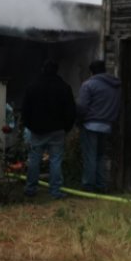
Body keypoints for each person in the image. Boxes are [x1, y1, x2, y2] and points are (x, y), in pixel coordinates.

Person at [20, 59, 76, 199]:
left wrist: (29, 125)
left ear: (42, 69)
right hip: (57, 130)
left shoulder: (32, 86)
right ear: (57, 70)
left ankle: (30, 188)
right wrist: (66, 127)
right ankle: (55, 190)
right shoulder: (64, 87)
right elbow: (71, 111)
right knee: (55, 160)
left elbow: (25, 110)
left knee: (34, 159)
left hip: (37, 130)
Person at [76, 60, 121, 193]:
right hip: (107, 126)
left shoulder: (89, 85)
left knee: (90, 156)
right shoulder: (115, 85)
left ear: (91, 72)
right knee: (101, 156)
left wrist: (78, 121)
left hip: (90, 125)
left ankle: (88, 186)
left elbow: (82, 107)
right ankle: (101, 185)